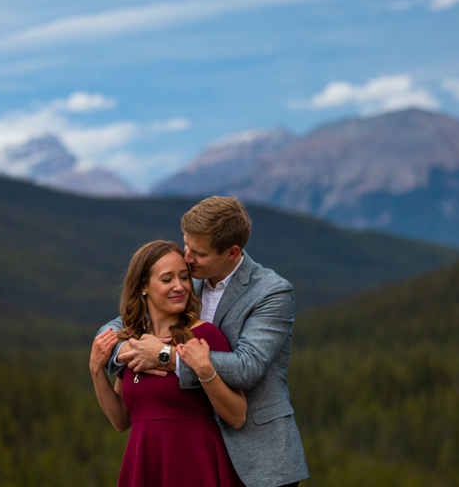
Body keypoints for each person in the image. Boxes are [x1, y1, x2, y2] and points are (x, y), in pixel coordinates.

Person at [98, 196, 309, 487]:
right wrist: (123, 350)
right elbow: (121, 324)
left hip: (259, 459)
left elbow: (247, 367)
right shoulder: (187, 280)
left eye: (198, 252)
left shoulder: (271, 292)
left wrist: (164, 355)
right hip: (191, 451)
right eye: (186, 246)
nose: (186, 257)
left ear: (232, 252)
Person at [90, 240, 246, 487]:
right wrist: (97, 371)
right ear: (144, 286)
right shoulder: (134, 342)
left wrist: (205, 371)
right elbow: (122, 421)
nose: (180, 287)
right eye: (167, 279)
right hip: (144, 462)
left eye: (184, 277)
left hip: (194, 462)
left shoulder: (205, 335)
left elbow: (237, 415)